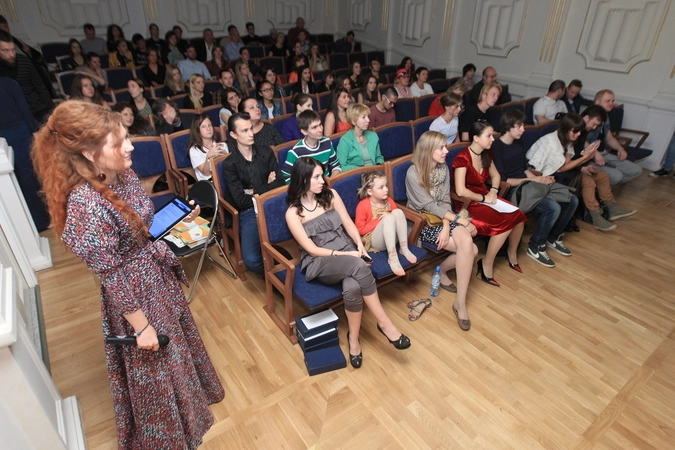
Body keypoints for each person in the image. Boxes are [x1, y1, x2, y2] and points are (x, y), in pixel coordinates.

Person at [32, 101, 225, 448]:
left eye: (127, 137)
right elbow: (112, 275)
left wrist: (177, 220)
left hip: (156, 277)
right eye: (118, 142)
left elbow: (140, 226)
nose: (130, 146)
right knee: (158, 369)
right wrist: (142, 327)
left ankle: (193, 410)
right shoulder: (85, 205)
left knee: (177, 352)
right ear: (89, 153)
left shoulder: (122, 173)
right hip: (134, 295)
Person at [286, 157, 411, 367]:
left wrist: (359, 246)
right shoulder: (293, 213)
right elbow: (311, 249)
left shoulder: (331, 195)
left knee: (352, 287)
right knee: (359, 266)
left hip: (346, 250)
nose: (322, 181)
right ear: (303, 179)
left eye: (322, 175)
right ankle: (385, 325)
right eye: (316, 177)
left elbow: (348, 224)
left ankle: (353, 340)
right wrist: (348, 256)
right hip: (320, 260)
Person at [405, 131, 478, 330]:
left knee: (468, 245)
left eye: (445, 146)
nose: (446, 151)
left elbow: (445, 200)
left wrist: (447, 225)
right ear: (428, 150)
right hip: (423, 222)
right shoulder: (413, 173)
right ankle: (442, 271)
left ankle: (460, 303)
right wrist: (460, 221)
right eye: (441, 148)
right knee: (472, 250)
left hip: (445, 218)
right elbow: (429, 207)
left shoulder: (442, 168)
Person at [492, 110, 578, 267]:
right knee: (553, 208)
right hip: (514, 190)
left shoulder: (518, 142)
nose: (523, 129)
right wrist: (535, 179)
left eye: (523, 125)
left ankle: (553, 237)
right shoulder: (497, 147)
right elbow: (505, 181)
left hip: (528, 183)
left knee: (572, 200)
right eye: (519, 126)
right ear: (508, 127)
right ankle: (536, 246)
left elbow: (524, 169)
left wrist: (541, 179)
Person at [527, 113, 636, 231]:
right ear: (566, 129)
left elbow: (567, 162)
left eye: (580, 131)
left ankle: (612, 208)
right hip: (543, 173)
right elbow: (562, 168)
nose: (579, 134)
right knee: (587, 180)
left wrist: (584, 161)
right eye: (576, 131)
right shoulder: (552, 142)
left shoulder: (566, 138)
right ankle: (596, 216)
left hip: (558, 169)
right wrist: (585, 158)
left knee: (602, 176)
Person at [452, 120, 526, 287]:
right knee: (506, 221)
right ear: (476, 138)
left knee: (519, 215)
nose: (493, 139)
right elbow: (461, 191)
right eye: (489, 136)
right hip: (468, 203)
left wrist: (493, 190)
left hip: (485, 197)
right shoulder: (462, 158)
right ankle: (486, 262)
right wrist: (484, 198)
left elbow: (496, 176)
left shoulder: (486, 154)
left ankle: (512, 254)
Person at [223, 112, 285, 274]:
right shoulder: (229, 164)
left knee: (299, 237)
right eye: (245, 131)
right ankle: (277, 280)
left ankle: (289, 274)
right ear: (233, 135)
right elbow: (241, 201)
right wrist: (267, 186)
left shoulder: (266, 152)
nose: (251, 134)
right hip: (249, 211)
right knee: (251, 260)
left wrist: (253, 191)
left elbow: (280, 183)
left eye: (251, 129)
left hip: (272, 204)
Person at [0, 76, 49, 230]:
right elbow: (24, 110)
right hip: (20, 133)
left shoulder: (9, 83)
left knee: (10, 182)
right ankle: (42, 220)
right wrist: (35, 133)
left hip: (6, 135)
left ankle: (26, 223)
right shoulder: (9, 83)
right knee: (30, 177)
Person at [355, 171, 417, 276]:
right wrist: (381, 219)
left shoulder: (389, 201)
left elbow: (397, 220)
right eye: (381, 187)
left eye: (386, 186)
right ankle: (392, 258)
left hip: (392, 239)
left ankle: (404, 248)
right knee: (389, 217)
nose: (386, 190)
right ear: (370, 191)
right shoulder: (363, 205)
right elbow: (360, 231)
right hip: (375, 241)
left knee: (398, 212)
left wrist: (390, 214)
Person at [585, 89, 643, 185]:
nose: (611, 104)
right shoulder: (588, 116)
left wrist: (620, 149)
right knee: (616, 177)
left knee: (636, 170)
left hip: (604, 153)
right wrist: (595, 152)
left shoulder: (605, 117)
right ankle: (601, 186)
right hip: (589, 156)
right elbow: (580, 139)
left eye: (612, 101)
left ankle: (602, 186)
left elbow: (609, 138)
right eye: (608, 101)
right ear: (598, 102)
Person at [0, 30, 54, 123]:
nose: (11, 54)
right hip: (12, 115)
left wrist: (52, 110)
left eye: (13, 49)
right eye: (6, 50)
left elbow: (40, 87)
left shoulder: (24, 61)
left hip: (36, 108)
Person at [283, 110, 341, 182]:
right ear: (304, 131)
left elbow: (336, 165)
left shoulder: (327, 142)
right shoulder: (296, 152)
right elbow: (287, 178)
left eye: (320, 125)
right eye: (314, 127)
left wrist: (330, 181)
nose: (320, 130)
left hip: (326, 183)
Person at [337, 103, 383, 171]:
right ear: (354, 121)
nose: (368, 120)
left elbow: (379, 158)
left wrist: (379, 167)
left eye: (368, 116)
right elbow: (342, 166)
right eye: (363, 117)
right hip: (357, 174)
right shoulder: (345, 140)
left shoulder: (373, 136)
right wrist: (361, 170)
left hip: (375, 172)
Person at [188, 114, 228, 180]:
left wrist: (226, 156)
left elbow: (230, 167)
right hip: (209, 182)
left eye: (209, 125)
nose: (208, 129)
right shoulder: (194, 150)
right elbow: (206, 173)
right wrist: (208, 157)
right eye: (203, 126)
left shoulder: (223, 145)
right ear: (197, 130)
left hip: (225, 178)